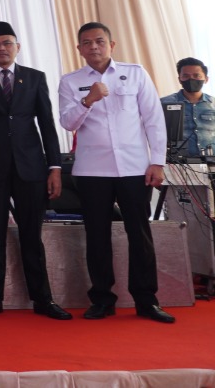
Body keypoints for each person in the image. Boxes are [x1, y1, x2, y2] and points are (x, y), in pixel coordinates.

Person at [58, 22, 175, 323]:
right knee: (96, 236)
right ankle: (101, 299)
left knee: (140, 233)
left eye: (99, 41)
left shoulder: (135, 73)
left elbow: (153, 118)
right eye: (87, 42)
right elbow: (68, 123)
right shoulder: (71, 81)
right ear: (79, 49)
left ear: (112, 44)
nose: (93, 47)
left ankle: (147, 300)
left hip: (135, 167)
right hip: (91, 170)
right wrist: (89, 99)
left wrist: (158, 161)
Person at [0, 22, 71, 320]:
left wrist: (54, 167)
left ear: (17, 46)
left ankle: (43, 300)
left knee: (32, 235)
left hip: (30, 168)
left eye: (7, 43)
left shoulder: (34, 78)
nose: (2, 48)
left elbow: (47, 124)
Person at [160, 57, 214, 158]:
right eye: (186, 76)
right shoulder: (163, 104)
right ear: (179, 79)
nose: (191, 79)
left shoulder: (213, 104)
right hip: (178, 165)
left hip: (212, 162)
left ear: (206, 79)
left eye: (196, 75)